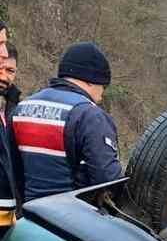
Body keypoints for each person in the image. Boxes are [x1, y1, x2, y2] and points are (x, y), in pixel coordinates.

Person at [12, 43, 124, 202]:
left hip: (28, 215)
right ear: (91, 80)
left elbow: (12, 168)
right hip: (68, 220)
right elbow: (108, 179)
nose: (101, 96)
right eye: (103, 86)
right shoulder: (90, 115)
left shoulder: (21, 108)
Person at [0, 42, 23, 223]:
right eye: (1, 68)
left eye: (11, 71)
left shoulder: (15, 107)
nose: (5, 76)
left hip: (8, 213)